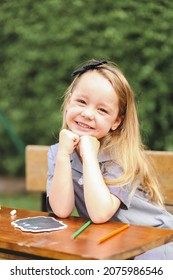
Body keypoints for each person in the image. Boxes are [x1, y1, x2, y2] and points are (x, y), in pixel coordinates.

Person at [46, 59, 173, 259]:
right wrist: (63, 155)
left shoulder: (120, 155)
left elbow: (99, 213)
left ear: (116, 121)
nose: (87, 114)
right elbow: (62, 210)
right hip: (116, 245)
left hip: (156, 242)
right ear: (69, 101)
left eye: (102, 110)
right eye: (81, 102)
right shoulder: (59, 151)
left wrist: (89, 155)